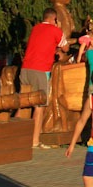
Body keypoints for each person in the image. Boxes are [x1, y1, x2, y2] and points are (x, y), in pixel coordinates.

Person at [20, 8, 68, 149]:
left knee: (23, 103)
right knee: (39, 106)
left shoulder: (35, 28)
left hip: (25, 68)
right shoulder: (55, 30)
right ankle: (34, 141)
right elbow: (65, 47)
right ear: (54, 19)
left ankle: (16, 137)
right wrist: (60, 29)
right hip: (40, 70)